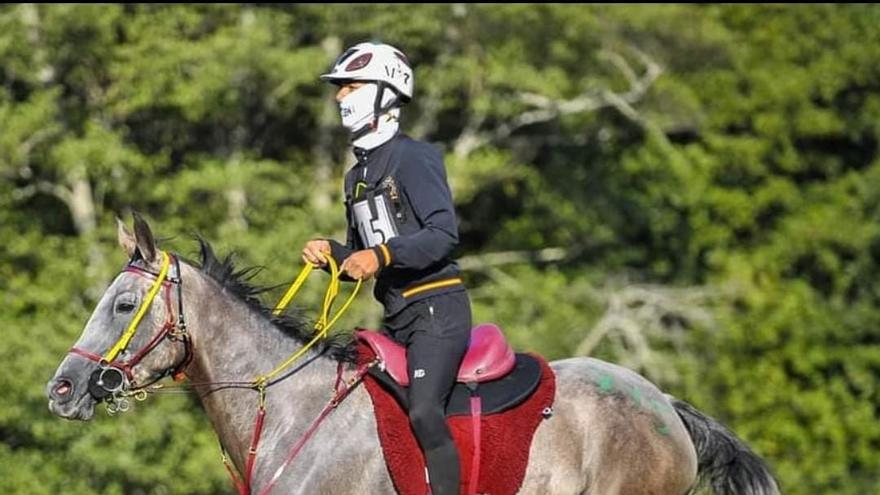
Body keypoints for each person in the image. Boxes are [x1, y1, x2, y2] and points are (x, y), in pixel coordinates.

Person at [302, 41, 470, 495]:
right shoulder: (355, 176)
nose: (340, 97)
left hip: (438, 312)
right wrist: (331, 255)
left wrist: (381, 257)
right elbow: (361, 253)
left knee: (422, 412)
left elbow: (442, 233)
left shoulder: (415, 157)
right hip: (396, 318)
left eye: (350, 85)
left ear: (384, 92)